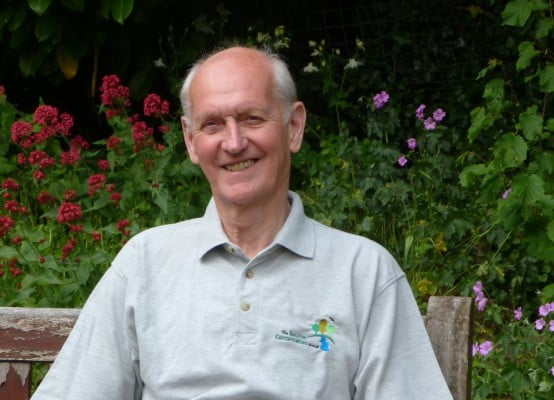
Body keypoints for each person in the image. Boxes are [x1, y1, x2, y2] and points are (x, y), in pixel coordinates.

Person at [32, 46, 453, 399]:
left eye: (252, 118)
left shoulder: (363, 272)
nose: (234, 143)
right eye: (212, 124)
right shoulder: (145, 263)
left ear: (294, 126)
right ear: (190, 141)